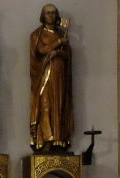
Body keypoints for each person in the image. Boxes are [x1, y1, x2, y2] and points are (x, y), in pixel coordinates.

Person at [29, 5, 73, 153]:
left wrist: (60, 53)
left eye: (53, 13)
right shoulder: (38, 34)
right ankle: (46, 139)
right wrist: (58, 43)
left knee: (59, 105)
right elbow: (41, 50)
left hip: (59, 76)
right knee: (45, 105)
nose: (51, 16)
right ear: (43, 15)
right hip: (45, 75)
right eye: (48, 13)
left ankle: (58, 140)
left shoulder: (62, 34)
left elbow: (67, 55)